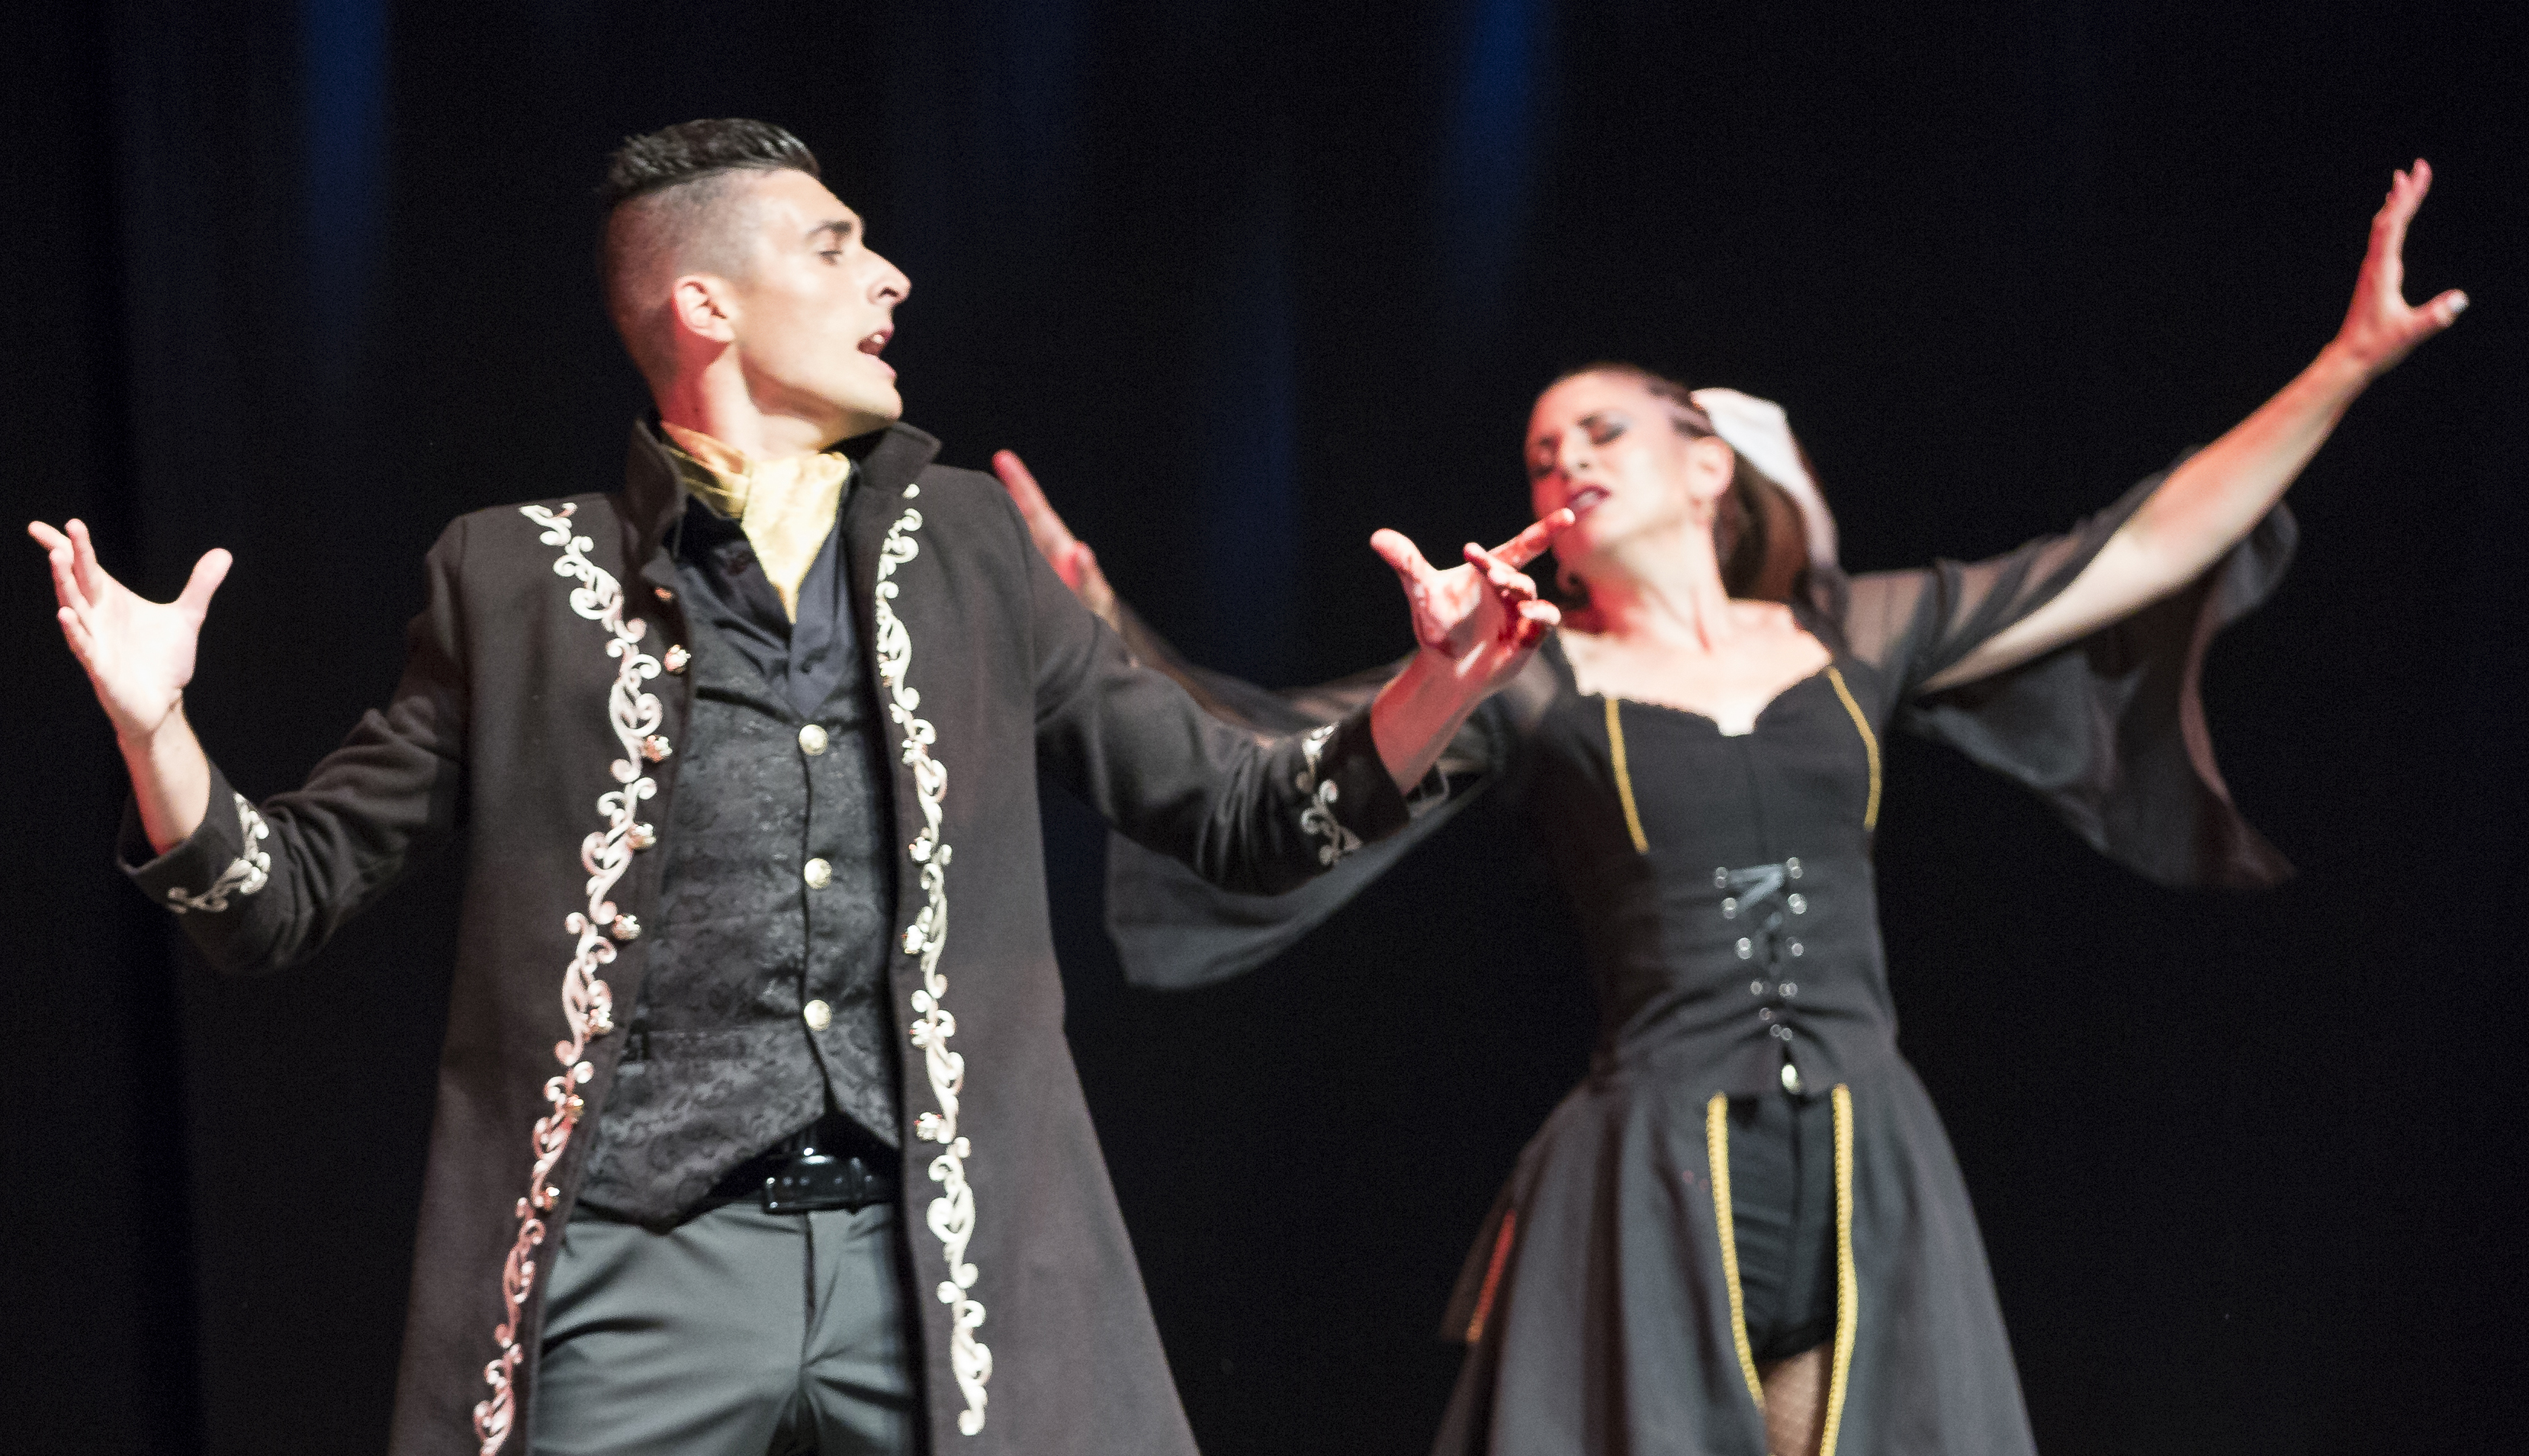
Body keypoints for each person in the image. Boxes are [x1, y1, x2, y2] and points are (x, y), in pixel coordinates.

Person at [26, 118, 1563, 1456]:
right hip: (641, 1254)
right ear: (705, 304)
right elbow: (278, 896)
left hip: (942, 1262)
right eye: (834, 249)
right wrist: (157, 731)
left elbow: (1239, 818)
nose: (889, 278)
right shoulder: (515, 578)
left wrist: (1438, 682)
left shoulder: (970, 546)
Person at [998, 162, 2463, 1456]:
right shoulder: (1529, 677)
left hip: (1868, 1162)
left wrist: (2342, 365)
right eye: (1541, 453)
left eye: (1601, 433)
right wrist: (1095, 627)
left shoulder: (1852, 638)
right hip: (1651, 1177)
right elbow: (1273, 759)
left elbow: (2129, 551)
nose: (1566, 461)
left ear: (1708, 466)